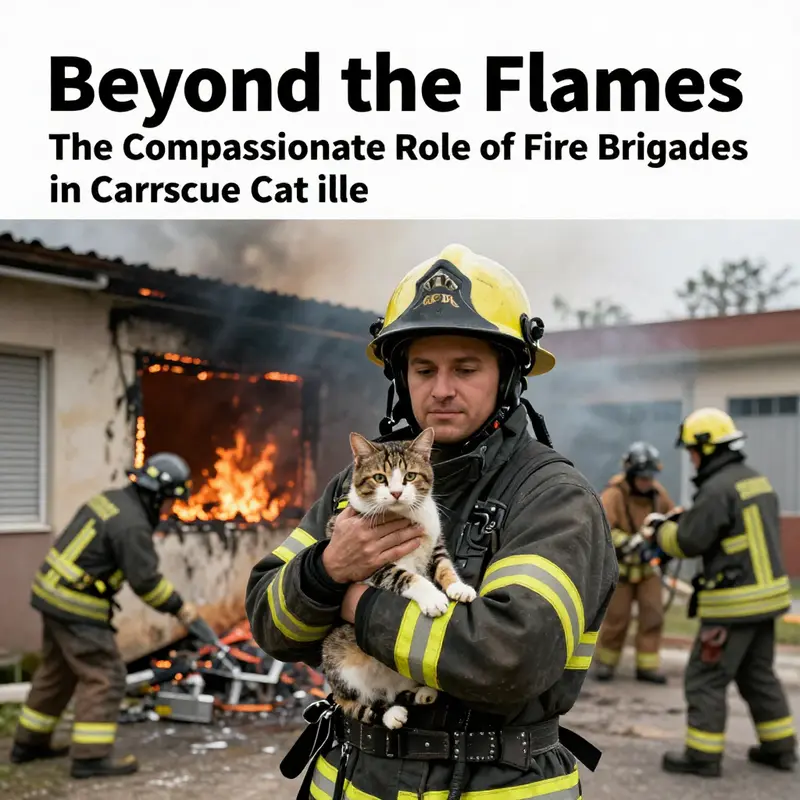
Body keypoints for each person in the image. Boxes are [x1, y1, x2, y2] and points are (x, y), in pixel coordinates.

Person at [246, 244, 619, 800]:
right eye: (423, 369)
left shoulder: (552, 497)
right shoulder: (357, 489)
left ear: (509, 376)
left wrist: (353, 602)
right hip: (352, 778)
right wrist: (325, 569)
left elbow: (507, 658)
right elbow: (269, 619)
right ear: (402, 377)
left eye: (465, 368)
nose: (440, 388)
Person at [11, 453, 204, 779]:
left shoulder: (112, 499)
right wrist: (181, 609)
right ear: (156, 494)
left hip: (50, 593)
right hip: (76, 604)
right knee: (106, 675)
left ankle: (28, 745)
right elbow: (146, 582)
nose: (170, 509)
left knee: (57, 672)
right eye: (170, 501)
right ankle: (90, 757)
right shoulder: (133, 526)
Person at [647, 407, 798, 777]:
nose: (692, 460)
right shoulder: (754, 481)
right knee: (757, 674)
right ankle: (779, 748)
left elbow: (688, 541)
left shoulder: (716, 489)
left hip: (732, 605)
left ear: (708, 448)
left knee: (705, 677)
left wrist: (659, 533)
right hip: (767, 602)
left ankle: (702, 756)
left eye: (693, 452)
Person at [594, 442, 676, 684]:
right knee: (616, 619)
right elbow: (602, 528)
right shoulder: (614, 494)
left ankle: (647, 667)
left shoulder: (658, 494)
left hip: (648, 570)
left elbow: (669, 519)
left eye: (650, 476)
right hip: (621, 571)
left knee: (653, 616)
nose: (647, 481)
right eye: (642, 477)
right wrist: (628, 542)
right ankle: (606, 664)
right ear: (631, 475)